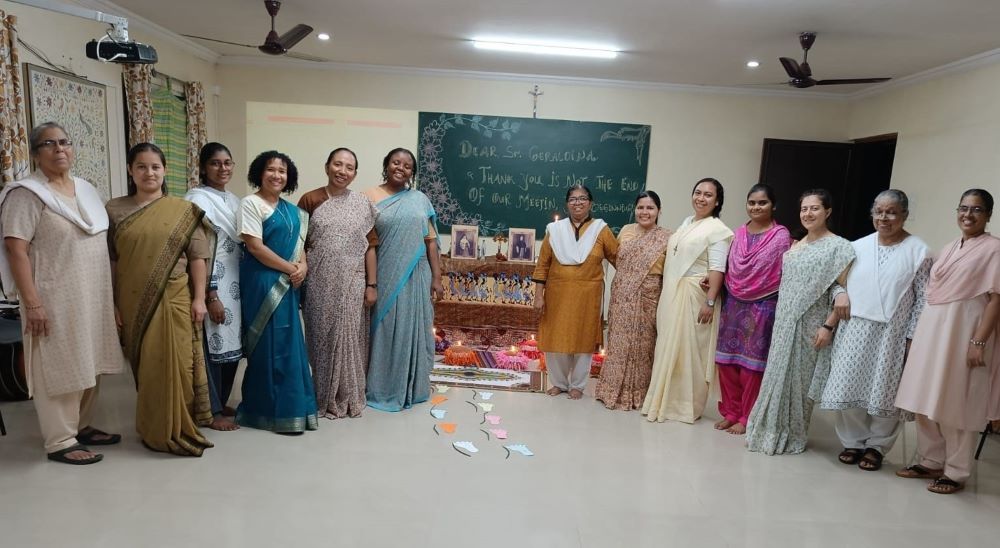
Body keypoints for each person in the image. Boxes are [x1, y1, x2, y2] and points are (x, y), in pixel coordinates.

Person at [0, 122, 126, 464]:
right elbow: (15, 249)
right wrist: (33, 303)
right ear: (36, 153)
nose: (59, 149)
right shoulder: (26, 194)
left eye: (64, 142)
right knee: (60, 365)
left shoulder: (85, 189)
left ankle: (81, 426)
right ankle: (60, 440)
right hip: (52, 297)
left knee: (90, 362)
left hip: (92, 294)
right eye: (49, 144)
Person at [107, 143, 214, 456]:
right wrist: (112, 302)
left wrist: (199, 298)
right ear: (130, 170)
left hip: (176, 298)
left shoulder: (182, 210)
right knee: (147, 366)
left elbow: (197, 257)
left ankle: (177, 425)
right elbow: (112, 260)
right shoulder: (114, 209)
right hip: (131, 299)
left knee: (177, 364)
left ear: (165, 170)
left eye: (155, 166)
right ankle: (153, 425)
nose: (148, 172)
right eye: (141, 166)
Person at [894, 189, 1000, 494]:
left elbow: (995, 300)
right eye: (963, 208)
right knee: (924, 398)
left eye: (976, 210)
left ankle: (956, 471)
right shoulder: (951, 246)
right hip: (933, 331)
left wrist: (978, 342)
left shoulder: (993, 249)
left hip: (964, 332)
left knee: (957, 401)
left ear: (988, 215)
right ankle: (930, 459)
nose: (968, 215)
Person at [818, 190, 930, 471]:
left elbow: (923, 300)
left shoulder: (920, 251)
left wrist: (911, 337)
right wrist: (840, 294)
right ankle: (853, 442)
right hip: (853, 327)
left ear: (904, 214)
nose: (884, 217)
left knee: (885, 392)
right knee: (849, 384)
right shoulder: (857, 246)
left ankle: (877, 446)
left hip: (892, 333)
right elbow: (836, 282)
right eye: (879, 211)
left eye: (892, 212)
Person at [745, 189, 855, 455]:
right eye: (804, 209)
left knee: (799, 383)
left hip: (811, 321)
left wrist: (828, 325)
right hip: (785, 320)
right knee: (776, 377)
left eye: (814, 208)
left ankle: (791, 434)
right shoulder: (797, 245)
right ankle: (766, 430)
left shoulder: (840, 247)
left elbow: (840, 289)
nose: (808, 214)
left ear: (827, 211)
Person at [237, 150, 317, 434]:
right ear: (260, 173)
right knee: (266, 347)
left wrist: (303, 268)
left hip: (289, 283)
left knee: (289, 344)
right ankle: (263, 412)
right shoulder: (250, 204)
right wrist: (291, 269)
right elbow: (255, 247)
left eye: (282, 171)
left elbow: (301, 249)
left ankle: (294, 409)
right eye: (271, 169)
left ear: (289, 177)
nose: (276, 175)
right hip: (262, 282)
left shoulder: (294, 212)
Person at [642, 178, 733, 422]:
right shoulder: (686, 224)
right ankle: (663, 399)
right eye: (698, 192)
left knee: (691, 351)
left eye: (708, 195)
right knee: (668, 347)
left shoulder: (718, 230)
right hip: (671, 294)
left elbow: (717, 268)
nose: (701, 198)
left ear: (717, 201)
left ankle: (684, 406)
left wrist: (711, 301)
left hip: (696, 298)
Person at [298, 148, 378, 419]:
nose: (342, 171)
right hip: (318, 281)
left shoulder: (362, 204)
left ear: (355, 173)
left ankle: (348, 393)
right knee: (320, 336)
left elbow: (369, 247)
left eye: (349, 167)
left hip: (353, 281)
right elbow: (299, 243)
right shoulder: (310, 199)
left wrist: (372, 285)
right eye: (337, 164)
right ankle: (322, 394)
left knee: (349, 337)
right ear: (327, 166)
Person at [364, 148, 443, 411]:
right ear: (386, 165)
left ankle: (413, 385)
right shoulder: (368, 197)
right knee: (385, 328)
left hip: (418, 274)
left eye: (408, 165)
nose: (401, 168)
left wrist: (437, 278)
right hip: (385, 272)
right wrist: (370, 283)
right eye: (396, 162)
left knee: (416, 328)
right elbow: (366, 243)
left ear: (413, 172)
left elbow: (430, 242)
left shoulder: (420, 199)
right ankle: (382, 386)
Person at [714, 184, 791, 434]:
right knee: (726, 362)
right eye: (752, 203)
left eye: (762, 203)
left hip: (764, 305)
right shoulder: (738, 234)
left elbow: (781, 273)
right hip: (733, 302)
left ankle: (747, 417)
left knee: (751, 366)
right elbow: (730, 266)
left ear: (773, 206)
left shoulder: (781, 237)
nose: (756, 207)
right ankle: (731, 411)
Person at [532, 185, 618, 400]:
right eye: (573, 199)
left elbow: (618, 258)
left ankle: (577, 385)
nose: (577, 202)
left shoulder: (601, 230)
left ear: (590, 203)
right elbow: (543, 265)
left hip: (589, 297)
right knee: (556, 338)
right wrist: (538, 295)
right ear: (566, 203)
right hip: (557, 295)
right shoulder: (555, 230)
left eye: (582, 198)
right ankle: (558, 383)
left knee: (584, 340)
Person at [594, 191, 671, 410]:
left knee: (644, 345)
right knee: (618, 343)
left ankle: (638, 394)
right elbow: (619, 262)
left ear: (658, 211)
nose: (644, 212)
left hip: (650, 294)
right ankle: (610, 391)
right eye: (640, 207)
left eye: (650, 208)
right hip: (622, 295)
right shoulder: (625, 231)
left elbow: (673, 270)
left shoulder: (667, 237)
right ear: (635, 209)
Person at [184, 142, 242, 431]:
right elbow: (201, 249)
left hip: (236, 282)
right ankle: (212, 409)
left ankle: (223, 399)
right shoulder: (196, 199)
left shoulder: (234, 199)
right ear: (204, 167)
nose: (223, 168)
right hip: (212, 280)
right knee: (213, 345)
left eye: (228, 162)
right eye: (216, 163)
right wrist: (211, 293)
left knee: (232, 346)